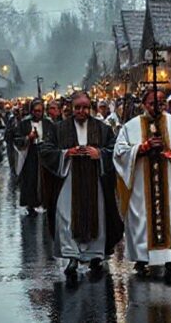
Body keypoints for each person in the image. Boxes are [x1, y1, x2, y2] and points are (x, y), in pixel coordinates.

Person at [114, 88, 171, 281]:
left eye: (161, 103)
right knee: (142, 219)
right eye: (152, 103)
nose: (157, 107)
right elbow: (119, 152)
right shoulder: (131, 127)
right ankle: (142, 258)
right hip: (141, 187)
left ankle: (170, 260)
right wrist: (140, 149)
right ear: (144, 104)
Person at [40, 92, 123, 280]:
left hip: (95, 181)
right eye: (77, 107)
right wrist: (66, 153)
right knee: (66, 216)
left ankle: (95, 256)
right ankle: (72, 257)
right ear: (71, 107)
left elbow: (115, 149)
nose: (81, 111)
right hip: (69, 180)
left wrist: (100, 153)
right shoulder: (59, 129)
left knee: (98, 216)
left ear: (90, 107)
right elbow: (46, 150)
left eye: (85, 107)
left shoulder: (102, 129)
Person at [14, 99, 51, 215]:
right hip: (30, 153)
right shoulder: (25, 123)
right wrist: (28, 138)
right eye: (35, 111)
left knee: (44, 179)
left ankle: (45, 202)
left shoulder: (48, 123)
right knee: (31, 178)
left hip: (44, 153)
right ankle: (31, 204)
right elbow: (16, 139)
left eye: (40, 111)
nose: (37, 113)